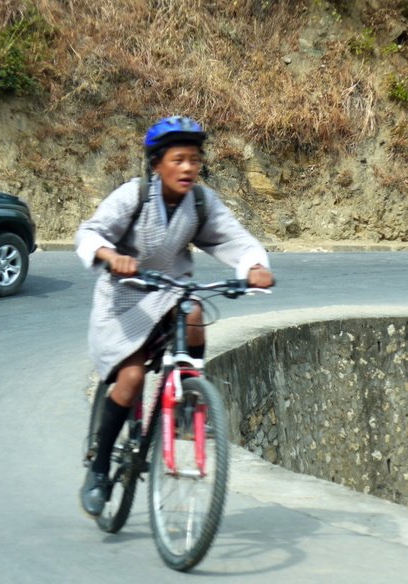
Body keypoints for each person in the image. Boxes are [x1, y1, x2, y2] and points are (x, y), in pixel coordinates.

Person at [75, 116, 274, 517]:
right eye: (178, 160)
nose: (188, 168)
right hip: (123, 299)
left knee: (195, 311)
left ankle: (187, 398)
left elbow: (233, 237)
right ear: (157, 165)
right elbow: (90, 233)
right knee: (131, 378)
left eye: (194, 160)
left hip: (169, 292)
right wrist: (112, 256)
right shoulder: (133, 195)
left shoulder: (200, 201)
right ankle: (98, 471)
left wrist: (254, 266)